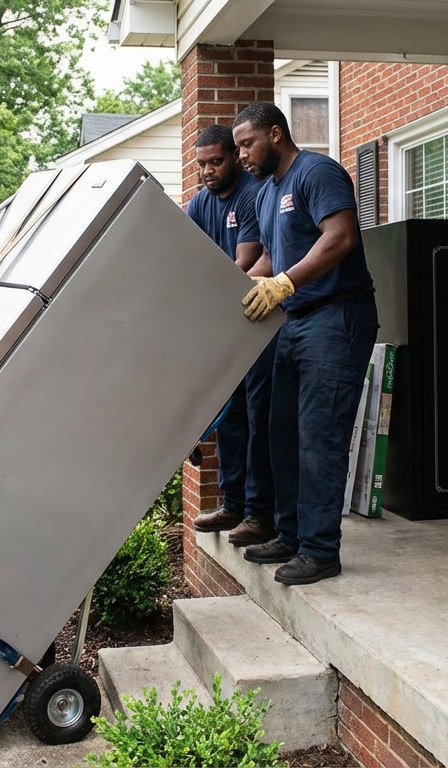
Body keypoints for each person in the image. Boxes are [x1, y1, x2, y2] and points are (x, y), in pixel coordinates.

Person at [232, 102, 378, 585]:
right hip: (294, 321)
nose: (242, 157)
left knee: (320, 436)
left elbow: (340, 239)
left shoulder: (318, 172)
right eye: (238, 148)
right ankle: (292, 535)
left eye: (247, 144)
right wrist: (230, 295)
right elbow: (272, 258)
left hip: (336, 317)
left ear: (276, 134)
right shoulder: (268, 191)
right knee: (283, 431)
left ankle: (320, 550)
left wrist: (285, 284)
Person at [183, 124, 278, 548]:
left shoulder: (252, 195)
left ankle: (260, 512)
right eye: (201, 163)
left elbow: (248, 261)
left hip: (256, 322)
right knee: (232, 417)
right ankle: (233, 503)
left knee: (259, 417)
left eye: (216, 162)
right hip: (224, 323)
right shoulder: (199, 203)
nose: (207, 170)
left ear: (233, 159)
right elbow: (185, 256)